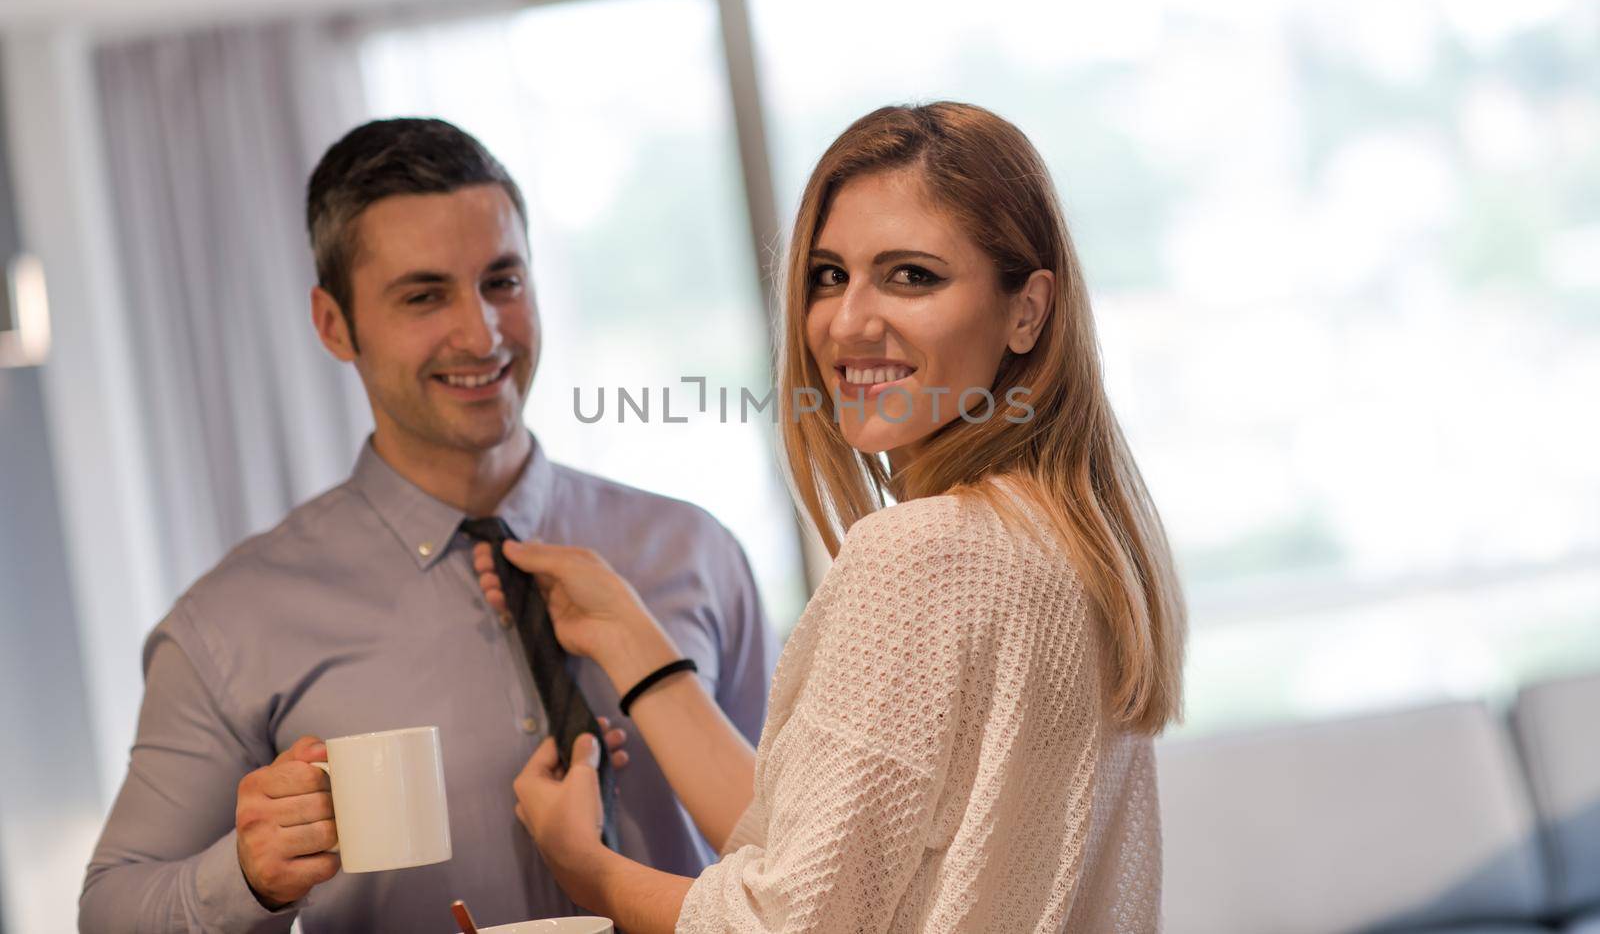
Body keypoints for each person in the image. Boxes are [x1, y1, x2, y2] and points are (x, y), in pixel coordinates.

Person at [476, 102, 1189, 932]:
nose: (847, 322)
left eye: (911, 275)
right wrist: (631, 643)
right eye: (827, 276)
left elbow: (786, 923)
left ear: (1028, 310)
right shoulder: (1059, 540)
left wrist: (586, 869)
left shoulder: (927, 553)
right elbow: (830, 859)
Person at [79, 118, 777, 934]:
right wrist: (245, 876)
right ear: (334, 325)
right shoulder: (228, 625)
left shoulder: (693, 552)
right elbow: (111, 912)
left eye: (502, 281)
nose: (481, 333)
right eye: (424, 295)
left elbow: (793, 851)